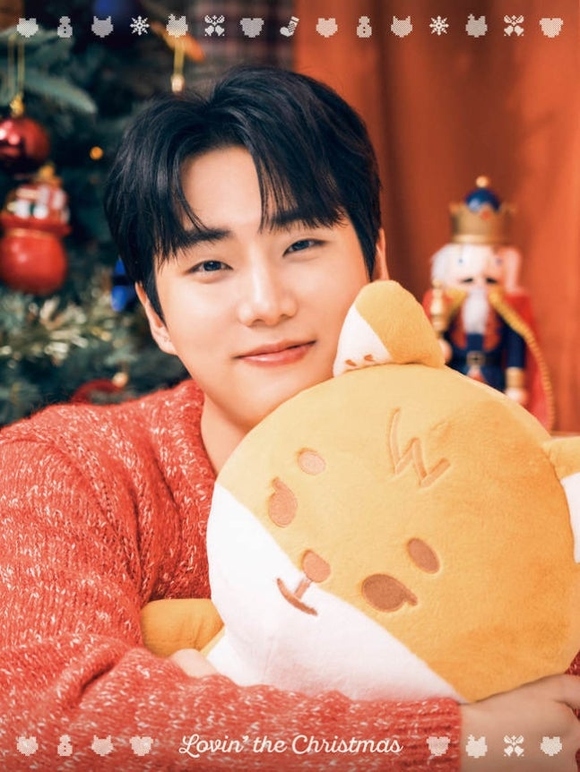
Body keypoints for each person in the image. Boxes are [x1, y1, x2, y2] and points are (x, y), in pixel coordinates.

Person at [0, 65, 578, 771]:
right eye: (210, 265)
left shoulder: (488, 466)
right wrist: (455, 743)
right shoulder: (67, 469)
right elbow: (39, 722)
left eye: (301, 245)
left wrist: (203, 722)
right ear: (155, 315)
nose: (266, 303)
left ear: (376, 261)